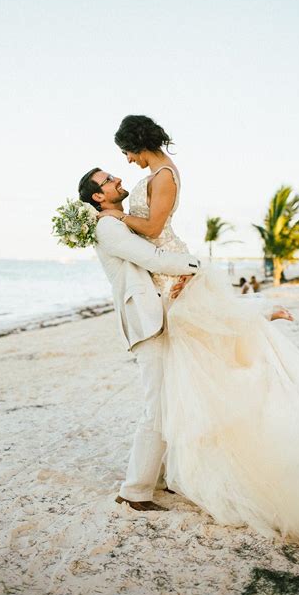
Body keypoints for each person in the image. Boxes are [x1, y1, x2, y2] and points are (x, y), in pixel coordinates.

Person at [90, 114, 299, 549]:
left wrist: (111, 215)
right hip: (163, 283)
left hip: (172, 275)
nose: (126, 162)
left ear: (137, 143)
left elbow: (151, 231)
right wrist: (107, 217)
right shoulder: (153, 176)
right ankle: (261, 314)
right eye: (117, 165)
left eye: (125, 153)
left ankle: (261, 315)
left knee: (202, 350)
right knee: (192, 362)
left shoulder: (161, 176)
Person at [78, 168, 202, 512]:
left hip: (156, 315)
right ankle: (134, 491)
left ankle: (160, 478)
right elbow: (152, 258)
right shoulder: (108, 226)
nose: (118, 179)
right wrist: (197, 264)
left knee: (166, 399)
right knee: (156, 405)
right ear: (98, 197)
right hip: (144, 321)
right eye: (108, 181)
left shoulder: (117, 222)